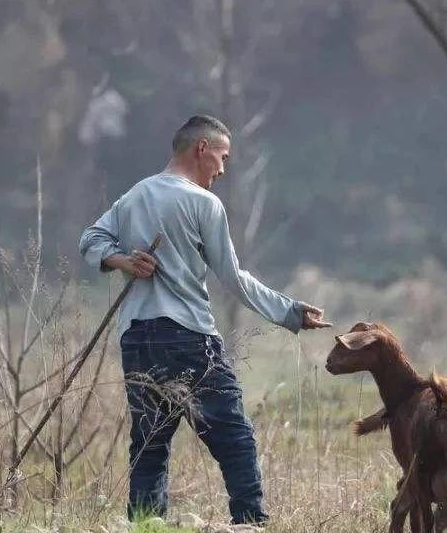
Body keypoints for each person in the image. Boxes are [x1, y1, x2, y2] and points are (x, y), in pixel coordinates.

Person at [79, 114, 330, 525]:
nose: (223, 168)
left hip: (137, 339)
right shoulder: (203, 203)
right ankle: (249, 524)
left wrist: (122, 261)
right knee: (235, 439)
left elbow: (90, 239)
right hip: (188, 338)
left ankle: (146, 525)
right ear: (201, 149)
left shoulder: (133, 197)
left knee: (150, 445)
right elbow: (233, 278)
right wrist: (290, 312)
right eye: (223, 156)